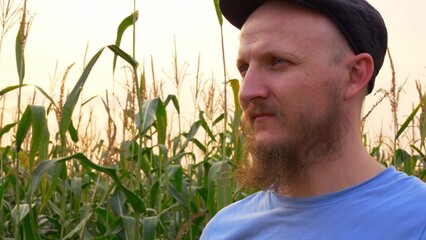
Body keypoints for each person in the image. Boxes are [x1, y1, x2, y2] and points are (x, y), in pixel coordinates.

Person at [200, 0, 426, 239]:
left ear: (354, 75)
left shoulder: (417, 220)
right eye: (244, 68)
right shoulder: (222, 230)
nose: (246, 92)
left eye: (278, 61)